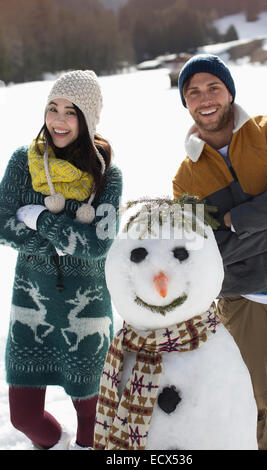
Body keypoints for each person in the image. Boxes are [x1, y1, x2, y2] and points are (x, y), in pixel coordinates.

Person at [173, 54, 267, 450]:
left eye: (213, 86)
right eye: (193, 92)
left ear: (230, 91)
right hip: (243, 302)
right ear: (186, 104)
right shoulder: (184, 179)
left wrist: (236, 220)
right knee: (250, 409)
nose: (204, 98)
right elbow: (204, 251)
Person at [0, 70, 122, 449]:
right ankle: (54, 443)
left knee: (90, 413)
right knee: (23, 416)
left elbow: (97, 246)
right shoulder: (24, 162)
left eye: (71, 111)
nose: (58, 119)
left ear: (87, 119)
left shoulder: (107, 177)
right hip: (31, 306)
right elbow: (2, 224)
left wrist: (39, 219)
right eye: (52, 108)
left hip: (85, 314)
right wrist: (62, 241)